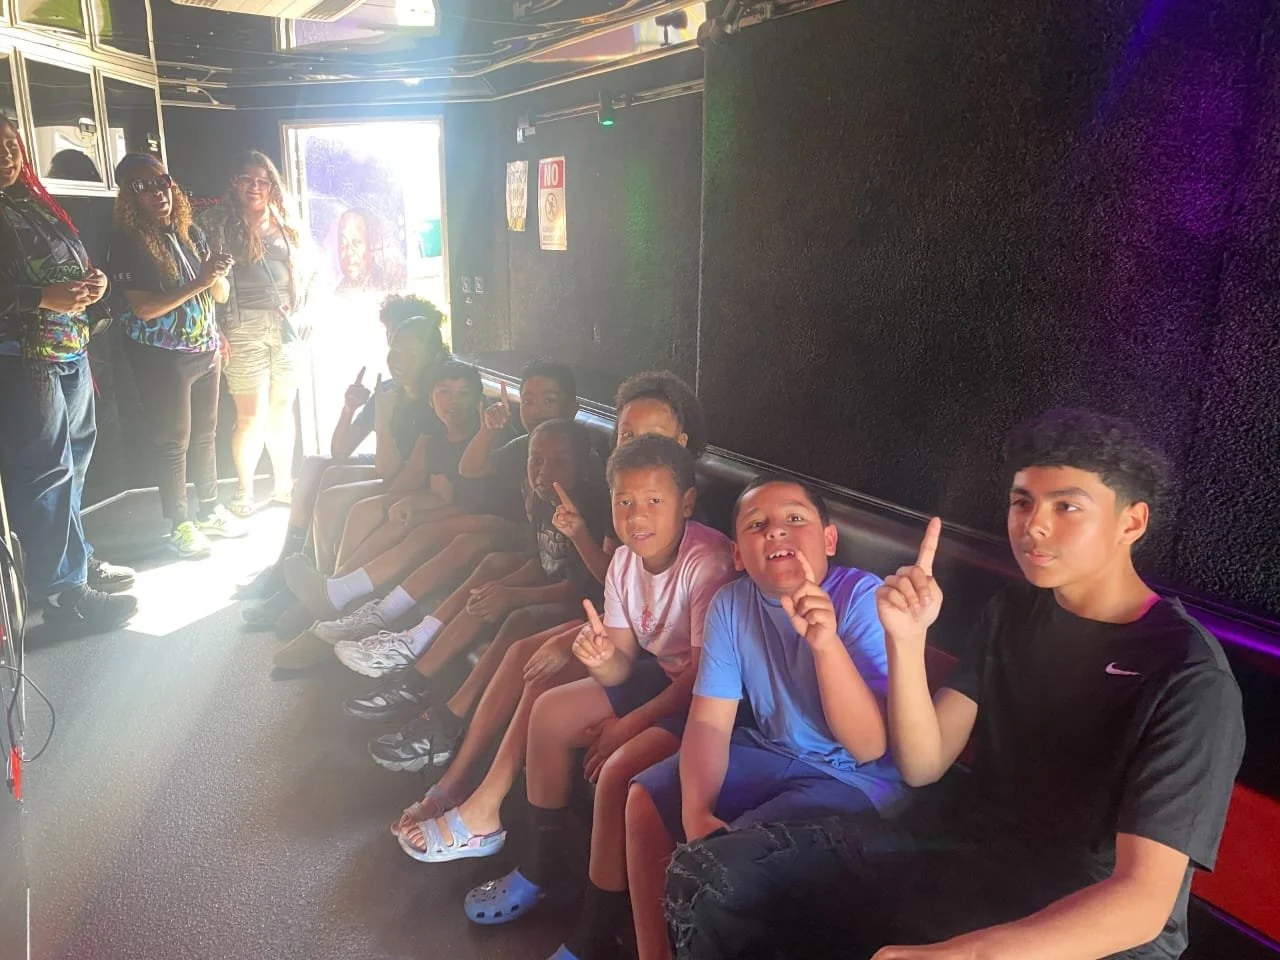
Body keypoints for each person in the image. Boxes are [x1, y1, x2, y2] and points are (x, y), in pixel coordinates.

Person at [664, 409, 1246, 960]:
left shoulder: (1187, 672)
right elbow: (923, 764)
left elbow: (1141, 905)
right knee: (710, 875)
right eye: (1023, 502)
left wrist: (956, 954)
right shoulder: (1014, 614)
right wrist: (906, 639)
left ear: (1132, 521)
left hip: (1086, 924)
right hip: (973, 860)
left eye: (1067, 506)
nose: (1034, 525)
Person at [454, 437, 737, 931]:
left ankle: (596, 931)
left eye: (654, 501)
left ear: (686, 504)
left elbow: (700, 677)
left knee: (616, 773)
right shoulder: (625, 563)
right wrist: (602, 660)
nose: (636, 516)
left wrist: (625, 726)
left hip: (711, 696)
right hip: (662, 677)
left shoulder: (705, 562)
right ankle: (540, 867)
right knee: (547, 711)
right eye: (624, 502)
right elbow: (624, 664)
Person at [623, 476, 907, 960]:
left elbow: (869, 748)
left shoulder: (861, 596)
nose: (776, 532)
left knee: (720, 863)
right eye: (758, 525)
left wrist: (825, 643)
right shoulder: (731, 605)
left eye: (795, 519)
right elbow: (710, 721)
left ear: (829, 540)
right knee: (644, 799)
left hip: (854, 780)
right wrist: (696, 810)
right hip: (773, 751)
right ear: (737, 555)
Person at [300, 359, 582, 650]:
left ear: (572, 408)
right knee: (425, 527)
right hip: (504, 528)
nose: (536, 411)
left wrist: (489, 432)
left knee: (470, 532)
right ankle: (347, 596)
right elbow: (468, 470)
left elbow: (490, 508)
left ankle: (354, 601)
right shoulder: (522, 443)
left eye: (549, 401)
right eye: (528, 402)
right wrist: (487, 431)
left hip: (523, 535)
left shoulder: (575, 450)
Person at [0, 114, 136, 631]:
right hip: (21, 355)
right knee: (48, 471)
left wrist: (91, 282)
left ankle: (73, 561)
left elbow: (62, 262)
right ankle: (63, 596)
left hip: (69, 347)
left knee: (75, 461)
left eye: (13, 145)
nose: (8, 155)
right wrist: (42, 297)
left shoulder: (28, 201)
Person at [240, 294, 445, 614]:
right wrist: (350, 408)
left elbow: (394, 471)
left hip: (405, 474)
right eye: (393, 342)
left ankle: (322, 585)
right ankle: (292, 568)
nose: (395, 350)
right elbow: (340, 450)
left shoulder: (436, 396)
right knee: (315, 466)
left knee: (335, 491)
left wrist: (383, 421)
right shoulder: (390, 388)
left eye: (406, 345)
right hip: (391, 464)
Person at [108, 154, 244, 558]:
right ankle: (179, 524)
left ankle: (209, 509)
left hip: (204, 347)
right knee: (173, 442)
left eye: (162, 181)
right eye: (143, 187)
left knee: (206, 433)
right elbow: (144, 308)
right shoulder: (126, 242)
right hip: (161, 356)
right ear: (128, 197)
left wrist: (216, 275)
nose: (157, 192)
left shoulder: (190, 233)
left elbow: (217, 295)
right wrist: (201, 279)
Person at [204, 151, 315, 518]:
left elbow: (311, 272)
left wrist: (306, 312)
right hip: (242, 326)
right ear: (234, 183)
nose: (254, 186)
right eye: (247, 179)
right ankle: (245, 490)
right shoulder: (216, 224)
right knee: (249, 416)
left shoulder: (287, 224)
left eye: (262, 180)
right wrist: (216, 328)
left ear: (272, 186)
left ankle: (284, 485)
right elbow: (203, 283)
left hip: (285, 324)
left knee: (282, 409)